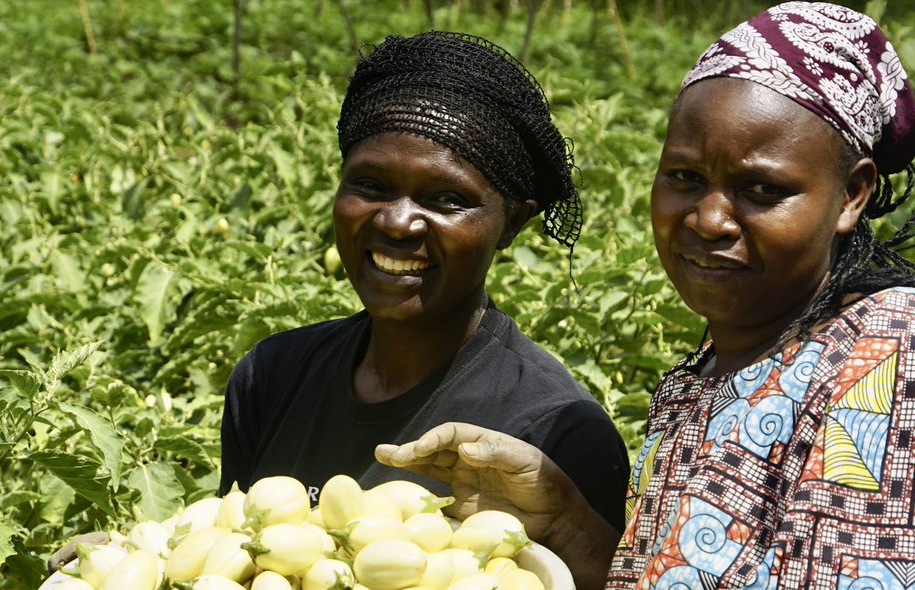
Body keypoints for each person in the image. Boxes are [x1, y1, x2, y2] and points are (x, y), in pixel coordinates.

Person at [377, 4, 915, 590]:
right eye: (684, 177)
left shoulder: (906, 349)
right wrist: (564, 521)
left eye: (762, 189)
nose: (709, 217)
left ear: (853, 194)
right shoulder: (722, 364)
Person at [217, 31, 629, 540]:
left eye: (446, 199)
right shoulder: (270, 377)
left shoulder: (554, 431)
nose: (397, 222)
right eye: (371, 184)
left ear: (513, 225)